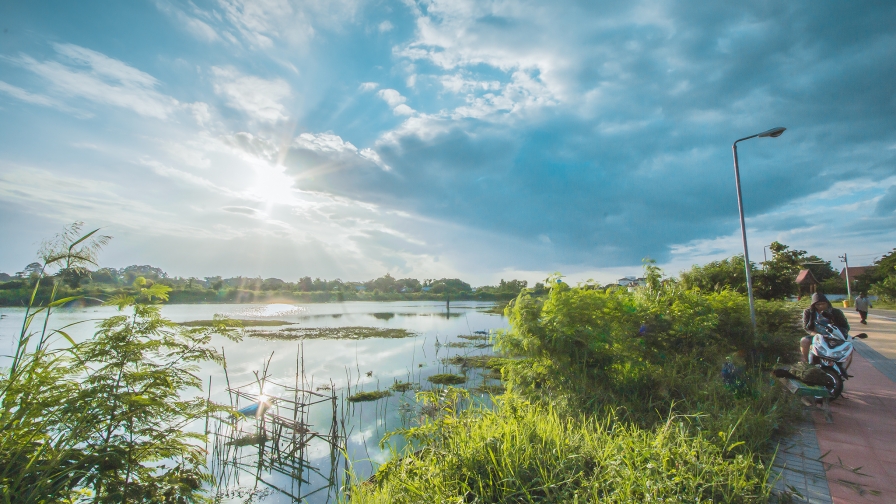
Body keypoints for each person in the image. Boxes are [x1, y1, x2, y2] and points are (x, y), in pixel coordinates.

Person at [800, 292, 850, 365]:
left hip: (834, 336)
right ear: (813, 305)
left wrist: (836, 334)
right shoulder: (809, 312)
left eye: (823, 304)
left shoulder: (836, 312)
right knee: (804, 341)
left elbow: (845, 326)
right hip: (816, 336)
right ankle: (807, 362)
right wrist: (818, 335)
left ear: (827, 303)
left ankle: (839, 366)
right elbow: (806, 328)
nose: (821, 306)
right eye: (818, 304)